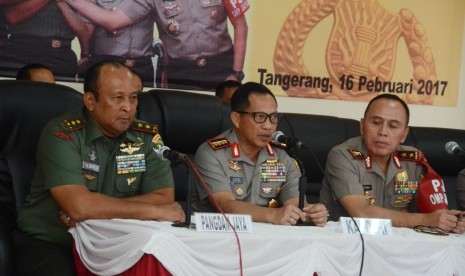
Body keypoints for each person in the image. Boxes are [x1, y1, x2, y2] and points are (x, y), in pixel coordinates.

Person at [13, 60, 185, 275]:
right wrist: (152, 210)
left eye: (133, 98)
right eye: (118, 98)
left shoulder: (147, 138)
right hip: (55, 241)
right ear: (90, 100)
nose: (128, 107)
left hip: (116, 243)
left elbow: (163, 197)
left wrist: (94, 210)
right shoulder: (62, 134)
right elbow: (79, 207)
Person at [319, 94, 465, 233]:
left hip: (400, 247)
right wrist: (427, 220)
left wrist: (450, 221)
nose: (383, 132)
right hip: (349, 244)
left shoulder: (414, 160)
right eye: (376, 123)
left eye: (393, 126)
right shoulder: (343, 155)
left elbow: (436, 211)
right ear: (362, 126)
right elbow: (362, 213)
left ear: (404, 134)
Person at [193, 82, 327, 226]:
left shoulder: (282, 156)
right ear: (237, 119)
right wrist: (273, 214)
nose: (268, 126)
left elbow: (296, 204)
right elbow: (225, 205)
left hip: (268, 240)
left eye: (273, 117)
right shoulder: (212, 153)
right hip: (222, 239)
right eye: (260, 116)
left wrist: (311, 212)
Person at [64, 0, 249, 91]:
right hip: (180, 71)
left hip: (221, 67)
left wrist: (236, 73)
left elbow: (241, 25)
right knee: (180, 126)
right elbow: (112, 21)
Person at [0, 0, 91, 79]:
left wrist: (85, 53)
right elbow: (13, 17)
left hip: (59, 56)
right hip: (18, 53)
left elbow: (83, 29)